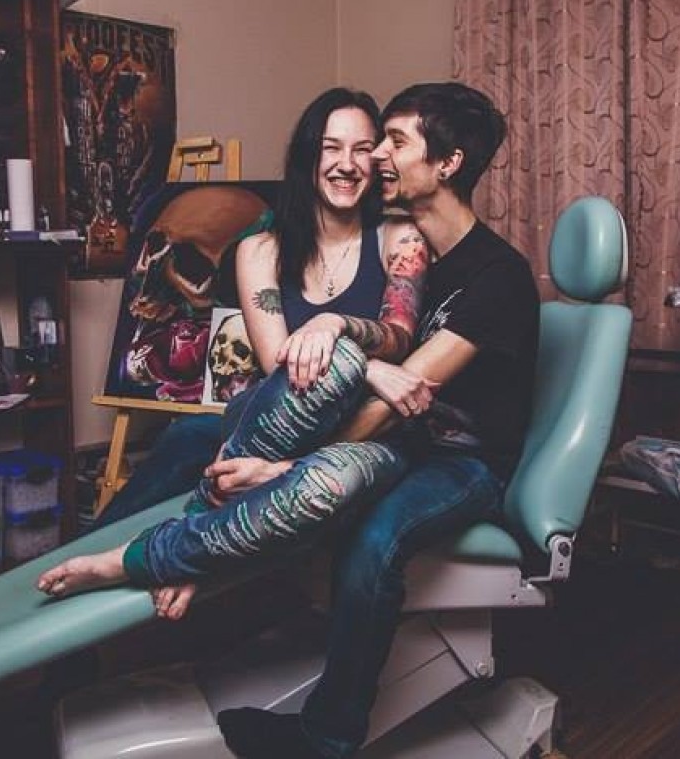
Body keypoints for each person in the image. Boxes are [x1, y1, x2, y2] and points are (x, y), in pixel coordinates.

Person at [216, 82, 539, 758]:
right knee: (204, 434)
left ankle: (328, 738)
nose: (376, 158)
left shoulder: (497, 277)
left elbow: (402, 395)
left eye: (394, 142)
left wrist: (290, 467)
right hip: (406, 444)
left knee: (375, 538)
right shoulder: (417, 254)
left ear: (447, 163)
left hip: (464, 463)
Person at [38, 87, 431, 613]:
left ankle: (179, 557)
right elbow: (279, 363)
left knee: (229, 462)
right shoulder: (259, 249)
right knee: (187, 438)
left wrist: (337, 332)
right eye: (331, 148)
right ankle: (74, 570)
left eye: (362, 149)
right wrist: (372, 368)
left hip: (358, 429)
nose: (346, 164)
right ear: (307, 157)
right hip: (276, 414)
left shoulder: (399, 238)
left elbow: (400, 334)